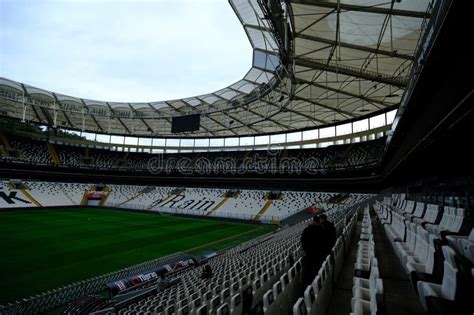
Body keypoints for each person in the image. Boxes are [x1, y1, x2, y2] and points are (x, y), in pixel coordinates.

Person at [300, 215, 326, 286]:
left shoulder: (307, 229)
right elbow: (324, 242)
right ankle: (316, 285)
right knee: (317, 270)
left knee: (308, 271)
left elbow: (303, 241)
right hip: (318, 254)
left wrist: (306, 250)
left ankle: (307, 286)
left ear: (313, 221)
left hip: (309, 254)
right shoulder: (322, 230)